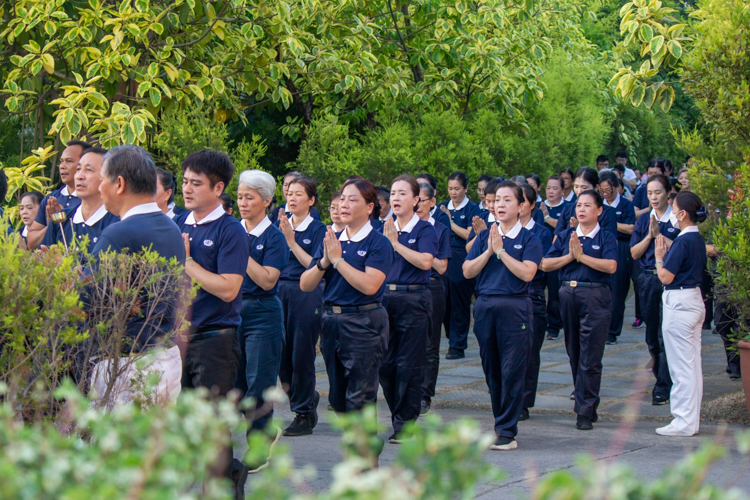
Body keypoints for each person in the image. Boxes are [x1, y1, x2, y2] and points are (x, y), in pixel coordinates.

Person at [173, 149, 250, 492]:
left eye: (196, 183)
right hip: (177, 341)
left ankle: (220, 486)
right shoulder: (176, 224)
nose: (187, 189)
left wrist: (189, 263)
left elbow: (230, 289)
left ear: (218, 189)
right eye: (185, 182)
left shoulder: (230, 230)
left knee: (213, 431)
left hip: (215, 342)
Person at [89, 145, 186, 406]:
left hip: (128, 364)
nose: (99, 188)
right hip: (165, 355)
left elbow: (87, 299)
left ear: (119, 183)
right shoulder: (171, 227)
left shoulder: (118, 234)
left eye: (101, 180)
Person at [300, 178, 393, 416]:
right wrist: (324, 261)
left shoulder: (378, 242)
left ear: (370, 207)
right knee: (338, 398)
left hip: (364, 323)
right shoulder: (332, 241)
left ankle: (363, 451)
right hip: (332, 322)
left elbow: (370, 285)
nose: (344, 204)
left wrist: (338, 261)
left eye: (352, 199)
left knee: (360, 398)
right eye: (342, 199)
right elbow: (305, 284)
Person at [463, 181, 542, 450]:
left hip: (515, 307)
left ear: (521, 206)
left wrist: (501, 252)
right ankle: (501, 423)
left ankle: (507, 430)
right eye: (497, 200)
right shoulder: (485, 236)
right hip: (485, 307)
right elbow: (467, 271)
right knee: (492, 368)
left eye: (507, 200)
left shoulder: (529, 238)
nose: (500, 205)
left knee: (512, 369)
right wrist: (488, 250)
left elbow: (528, 273)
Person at [542, 190, 617, 430]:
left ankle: (584, 410)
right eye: (579, 206)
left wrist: (582, 257)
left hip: (595, 294)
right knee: (574, 351)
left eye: (587, 205)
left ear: (599, 211)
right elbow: (545, 263)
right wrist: (569, 256)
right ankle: (587, 401)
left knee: (590, 355)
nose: (581, 210)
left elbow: (611, 266)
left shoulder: (605, 236)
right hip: (568, 293)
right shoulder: (566, 235)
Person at [379, 175, 437, 441]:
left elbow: (426, 262)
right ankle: (398, 415)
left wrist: (395, 244)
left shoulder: (424, 229)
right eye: (393, 193)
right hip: (384, 300)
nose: (395, 198)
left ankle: (404, 423)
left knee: (408, 364)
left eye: (402, 194)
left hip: (414, 299)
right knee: (385, 365)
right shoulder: (382, 227)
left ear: (416, 200)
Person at [235, 170, 289, 443]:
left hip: (262, 313)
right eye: (240, 197)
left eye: (249, 197)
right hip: (231, 312)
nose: (242, 203)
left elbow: (268, 280)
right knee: (234, 385)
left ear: (267, 200)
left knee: (258, 384)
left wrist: (240, 250)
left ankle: (258, 445)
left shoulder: (274, 237)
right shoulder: (232, 229)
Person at [654, 191, 708, 436]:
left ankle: (683, 421)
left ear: (683, 213)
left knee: (681, 367)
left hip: (680, 303)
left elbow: (665, 276)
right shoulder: (696, 239)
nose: (672, 213)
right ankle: (690, 419)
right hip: (693, 299)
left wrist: (658, 259)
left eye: (674, 209)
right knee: (692, 364)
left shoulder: (685, 240)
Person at [275, 176, 326, 436]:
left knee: (301, 353)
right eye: (289, 193)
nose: (292, 198)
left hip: (305, 291)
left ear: (311, 200)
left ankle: (304, 412)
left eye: (298, 194)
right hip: (277, 290)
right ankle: (304, 396)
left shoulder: (318, 230)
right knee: (281, 356)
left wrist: (292, 241)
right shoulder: (278, 225)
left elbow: (315, 265)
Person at [630, 174, 680, 405]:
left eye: (658, 192)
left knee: (665, 334)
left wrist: (660, 235)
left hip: (670, 280)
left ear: (668, 192)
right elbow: (634, 253)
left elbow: (681, 250)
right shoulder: (643, 221)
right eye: (650, 193)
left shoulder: (677, 219)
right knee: (652, 335)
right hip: (647, 279)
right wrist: (650, 235)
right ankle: (661, 376)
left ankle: (663, 385)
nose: (653, 197)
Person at [41, 147, 119, 252]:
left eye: (88, 170)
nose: (79, 176)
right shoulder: (61, 219)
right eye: (78, 169)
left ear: (108, 177)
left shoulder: (117, 222)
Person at [518, 183, 552, 421]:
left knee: (530, 351)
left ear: (530, 205)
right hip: (506, 295)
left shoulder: (541, 232)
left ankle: (524, 401)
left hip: (532, 293)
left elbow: (542, 265)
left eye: (520, 202)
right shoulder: (497, 230)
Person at [416, 182, 450, 415]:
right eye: (414, 198)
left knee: (430, 344)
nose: (417, 204)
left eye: (422, 199)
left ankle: (425, 394)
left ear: (432, 203)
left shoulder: (439, 229)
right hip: (405, 290)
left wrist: (422, 255)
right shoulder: (396, 227)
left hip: (432, 286)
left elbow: (442, 266)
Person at [439, 171, 481, 360]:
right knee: (444, 301)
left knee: (460, 302)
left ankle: (457, 344)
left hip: (462, 255)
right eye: (450, 188)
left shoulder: (472, 209)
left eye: (457, 188)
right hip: (443, 255)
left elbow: (469, 235)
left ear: (466, 188)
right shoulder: (442, 207)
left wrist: (450, 221)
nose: (453, 192)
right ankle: (451, 336)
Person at [26, 140, 90, 249]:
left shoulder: (90, 198)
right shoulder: (51, 199)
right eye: (61, 161)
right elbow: (31, 243)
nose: (62, 166)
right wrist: (53, 224)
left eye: (69, 161)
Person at [599, 172, 636, 345]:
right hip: (601, 247)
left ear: (617, 187)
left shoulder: (626, 205)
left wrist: (609, 224)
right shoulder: (598, 205)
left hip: (621, 248)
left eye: (609, 190)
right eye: (602, 190)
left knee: (618, 291)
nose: (605, 193)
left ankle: (613, 331)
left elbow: (630, 229)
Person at [554, 167, 618, 239]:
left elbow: (611, 243)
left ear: (596, 187)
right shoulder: (568, 209)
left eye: (584, 188)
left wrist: (580, 229)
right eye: (576, 186)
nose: (579, 191)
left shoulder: (607, 212)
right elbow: (557, 240)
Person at [540, 175, 567, 340]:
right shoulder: (538, 206)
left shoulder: (567, 208)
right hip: (539, 255)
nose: (551, 191)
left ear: (563, 191)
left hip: (556, 257)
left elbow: (564, 227)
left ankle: (553, 326)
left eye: (555, 188)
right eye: (548, 187)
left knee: (555, 293)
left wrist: (547, 217)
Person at [466, 177, 501, 253]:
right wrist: (480, 234)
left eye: (495, 201)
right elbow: (468, 249)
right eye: (488, 201)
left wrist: (485, 233)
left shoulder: (509, 220)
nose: (491, 206)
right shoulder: (482, 218)